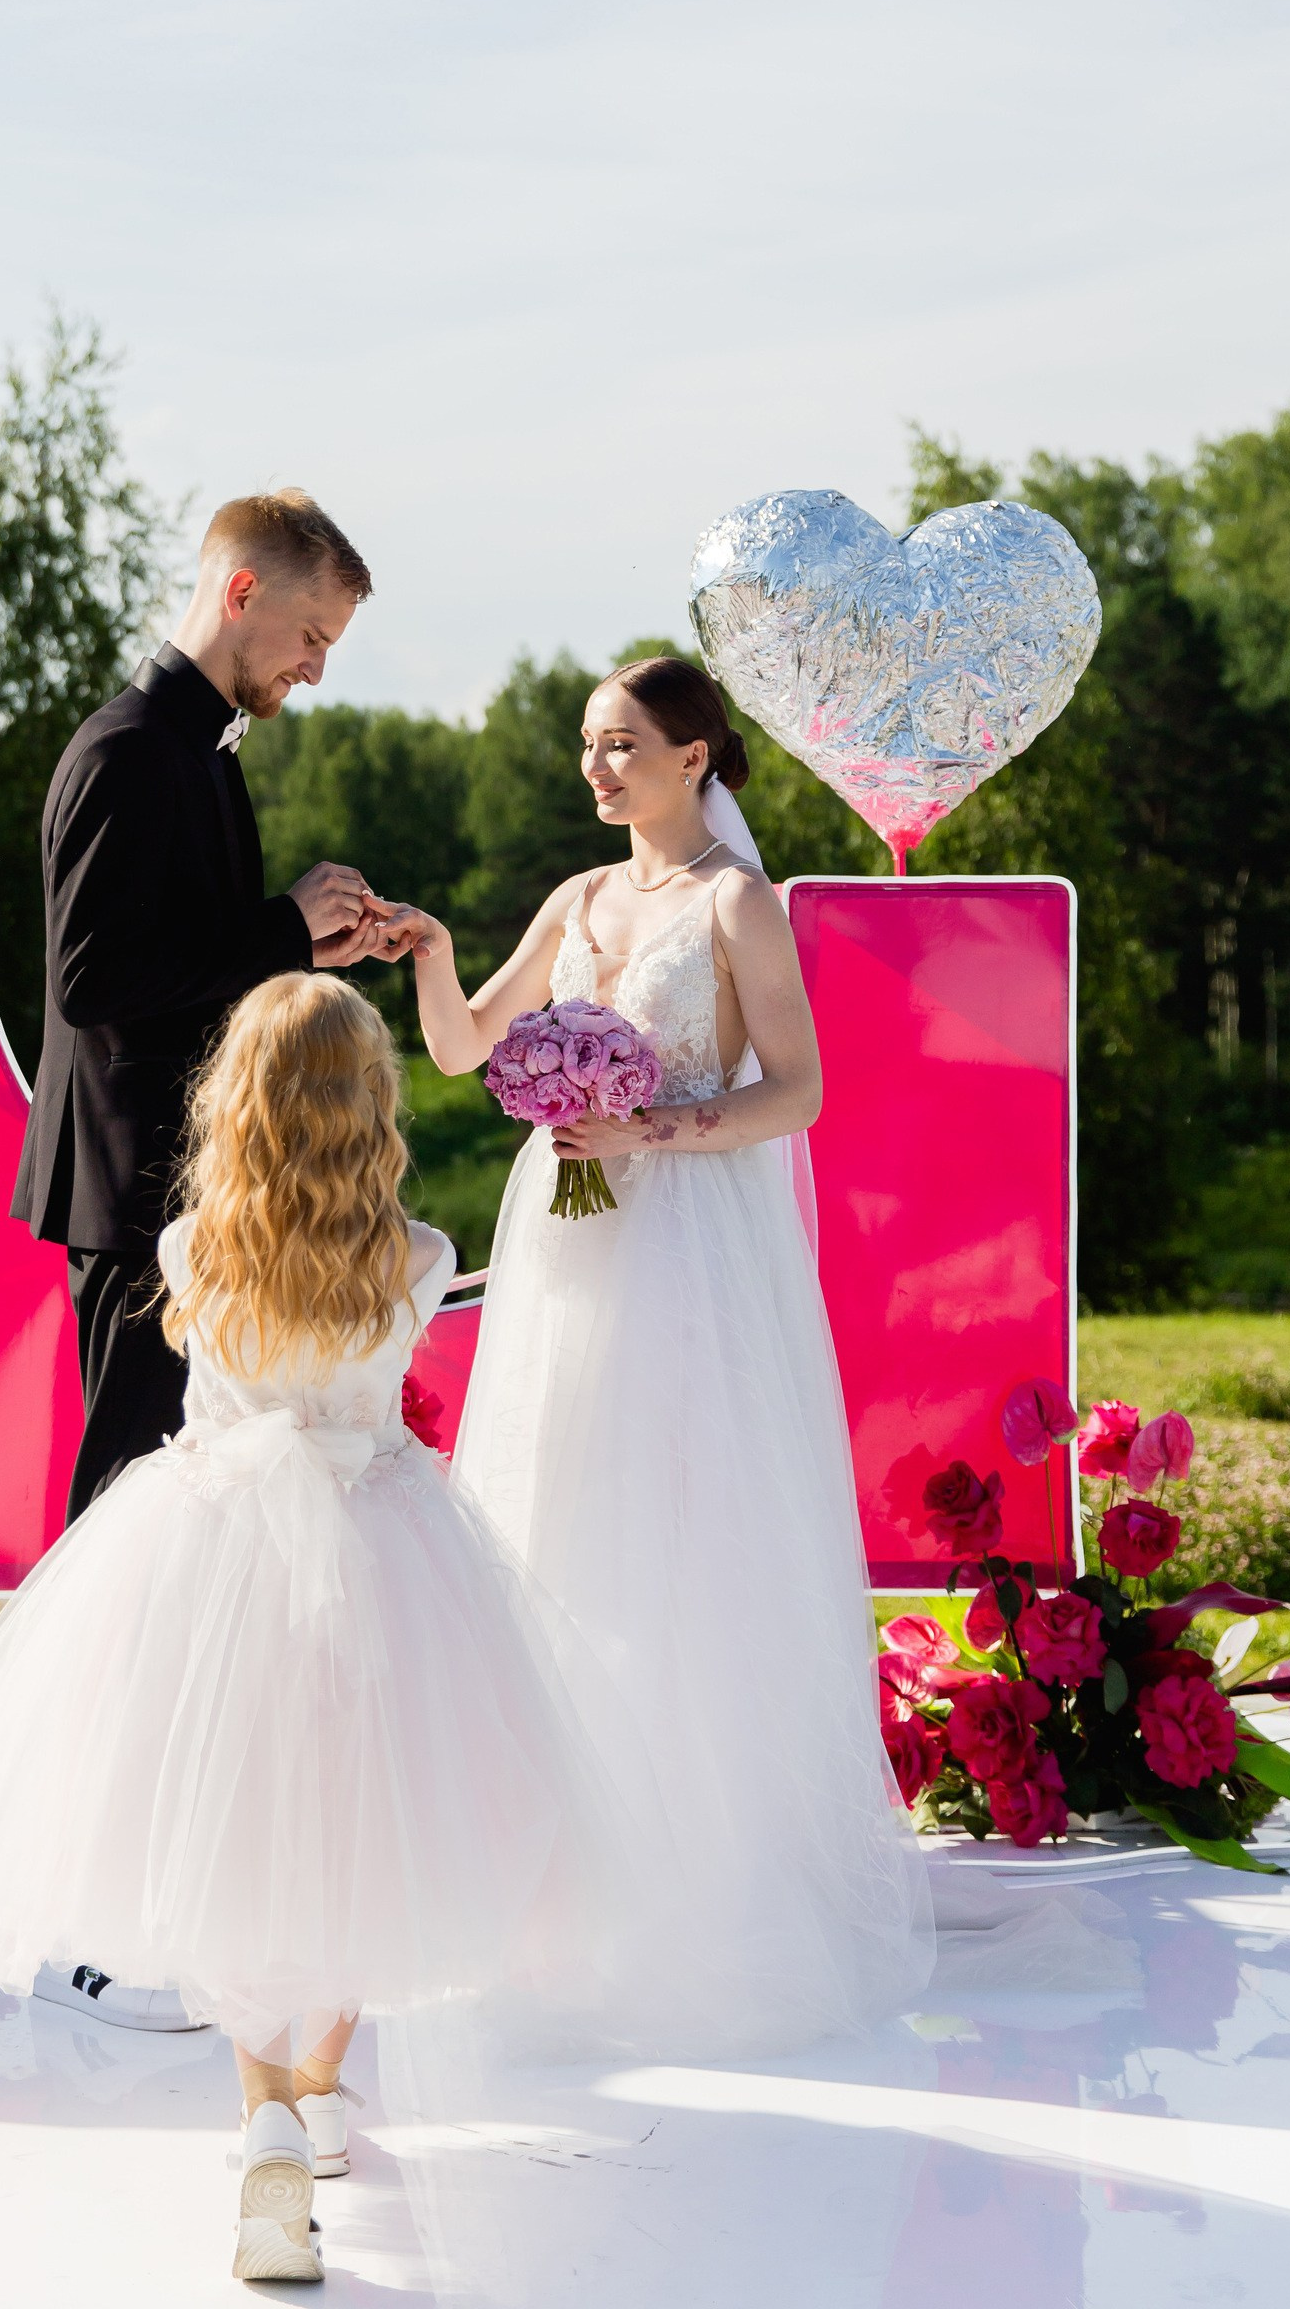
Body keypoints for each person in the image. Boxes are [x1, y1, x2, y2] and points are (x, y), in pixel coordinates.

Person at [0, 974, 606, 2286]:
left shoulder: (191, 1249)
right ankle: (319, 2088)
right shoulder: (421, 1261)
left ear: (238, 1104)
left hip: (207, 1557)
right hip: (384, 1565)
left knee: (224, 1827)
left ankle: (264, 2109)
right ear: (370, 1108)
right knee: (372, 1825)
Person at [387, 655, 932, 2057]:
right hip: (571, 1252)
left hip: (690, 1247)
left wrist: (656, 1133)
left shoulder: (736, 906)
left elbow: (798, 1090)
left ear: (695, 757)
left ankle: (705, 1882)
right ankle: (563, 1879)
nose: (595, 769)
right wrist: (436, 950)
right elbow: (460, 1052)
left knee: (686, 1537)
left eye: (620, 744)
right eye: (587, 744)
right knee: (558, 1516)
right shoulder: (576, 902)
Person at [8, 488, 409, 2029]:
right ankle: (88, 1913)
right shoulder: (128, 752)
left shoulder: (191, 753)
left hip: (189, 1216)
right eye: (311, 636)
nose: (315, 672)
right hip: (137, 1217)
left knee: (161, 1563)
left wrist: (302, 944)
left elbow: (189, 967)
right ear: (242, 591)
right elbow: (103, 988)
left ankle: (150, 1891)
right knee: (122, 1558)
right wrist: (283, 934)